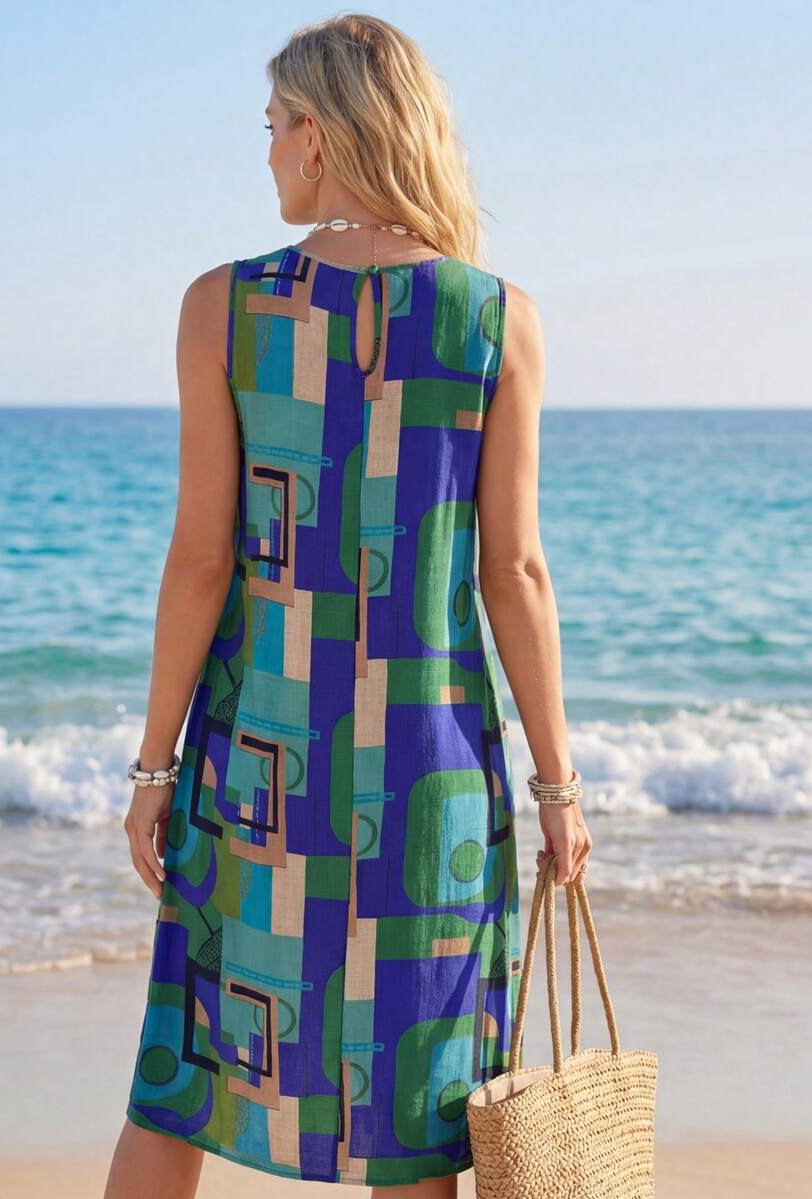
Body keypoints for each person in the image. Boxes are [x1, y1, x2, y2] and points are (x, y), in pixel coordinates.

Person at [104, 12, 592, 1199]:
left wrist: (155, 767)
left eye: (275, 125)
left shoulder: (223, 308)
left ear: (318, 136)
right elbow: (515, 572)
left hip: (259, 772)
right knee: (414, 1121)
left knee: (185, 1079)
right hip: (431, 783)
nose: (269, 149)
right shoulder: (497, 319)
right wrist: (558, 785)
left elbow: (201, 560)